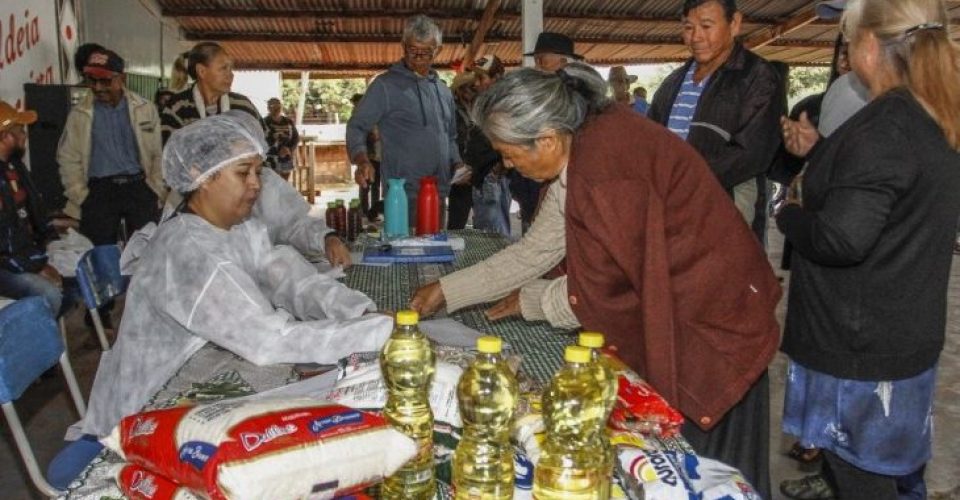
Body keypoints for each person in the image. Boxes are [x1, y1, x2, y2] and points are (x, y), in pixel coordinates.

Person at [410, 64, 781, 496]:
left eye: (510, 155)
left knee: (713, 479)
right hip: (698, 311)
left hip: (715, 332)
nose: (508, 167)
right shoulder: (581, 143)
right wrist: (447, 290)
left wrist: (535, 301)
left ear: (546, 139)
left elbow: (617, 289)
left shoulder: (608, 173)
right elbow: (537, 250)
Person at [80, 113, 393, 437]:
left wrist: (358, 311)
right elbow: (268, 339)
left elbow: (292, 279)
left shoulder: (237, 229)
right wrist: (372, 335)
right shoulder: (190, 252)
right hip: (150, 408)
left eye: (258, 171)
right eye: (243, 173)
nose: (256, 184)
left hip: (200, 369)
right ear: (199, 175)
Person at [776, 0, 960, 498]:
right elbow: (884, 203)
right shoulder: (929, 114)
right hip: (897, 332)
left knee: (861, 480)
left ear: (870, 46)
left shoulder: (886, 127)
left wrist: (787, 210)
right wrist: (822, 156)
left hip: (860, 351)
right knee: (884, 478)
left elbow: (841, 239)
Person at [648, 0, 785, 242]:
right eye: (688, 27)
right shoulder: (673, 82)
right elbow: (650, 139)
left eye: (707, 25)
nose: (696, 37)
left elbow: (751, 153)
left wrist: (684, 181)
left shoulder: (758, 77)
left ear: (734, 24)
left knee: (722, 272)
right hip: (673, 204)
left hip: (724, 205)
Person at [346, 15, 463, 223]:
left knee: (434, 250)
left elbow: (451, 135)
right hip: (403, 193)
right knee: (405, 251)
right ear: (403, 46)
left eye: (426, 51)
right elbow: (357, 125)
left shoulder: (443, 90)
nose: (418, 57)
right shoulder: (385, 86)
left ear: (438, 50)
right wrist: (361, 160)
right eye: (412, 50)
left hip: (439, 190)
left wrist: (458, 164)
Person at [56, 48, 165, 245]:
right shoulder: (79, 114)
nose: (98, 87)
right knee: (100, 254)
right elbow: (68, 158)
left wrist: (156, 189)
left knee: (144, 251)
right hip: (99, 192)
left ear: (121, 78)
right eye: (91, 80)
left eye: (105, 81)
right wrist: (80, 195)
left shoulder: (145, 109)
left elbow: (158, 153)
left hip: (139, 188)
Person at [0, 101, 63, 316]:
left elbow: (35, 214)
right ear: (5, 137)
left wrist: (51, 240)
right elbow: (5, 244)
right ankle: (33, 345)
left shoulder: (16, 166)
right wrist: (37, 266)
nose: (25, 136)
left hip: (23, 256)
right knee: (49, 294)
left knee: (80, 271)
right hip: (6, 265)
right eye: (20, 131)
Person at [160, 42, 262, 145]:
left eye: (231, 68)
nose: (231, 75)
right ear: (202, 71)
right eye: (223, 68)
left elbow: (267, 147)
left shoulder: (243, 106)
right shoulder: (178, 108)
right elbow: (169, 154)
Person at [465, 55, 511, 236]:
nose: (476, 84)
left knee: (493, 239)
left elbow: (509, 140)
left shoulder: (504, 105)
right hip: (482, 176)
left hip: (491, 178)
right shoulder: (485, 102)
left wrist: (497, 169)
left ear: (497, 78)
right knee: (486, 234)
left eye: (481, 78)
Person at [447, 72, 477, 230]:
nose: (471, 91)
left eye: (473, 87)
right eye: (467, 88)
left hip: (479, 170)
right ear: (458, 91)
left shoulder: (479, 108)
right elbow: (449, 139)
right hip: (460, 169)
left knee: (485, 222)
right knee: (457, 220)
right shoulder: (451, 111)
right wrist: (458, 164)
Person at [350, 93, 382, 221]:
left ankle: (373, 211)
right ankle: (364, 210)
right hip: (368, 156)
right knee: (365, 184)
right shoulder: (357, 119)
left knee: (375, 184)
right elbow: (361, 137)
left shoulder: (373, 114)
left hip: (378, 155)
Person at [264, 97, 299, 180]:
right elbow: (262, 139)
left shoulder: (288, 122)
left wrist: (289, 149)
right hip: (270, 158)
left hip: (286, 156)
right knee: (272, 182)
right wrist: (276, 149)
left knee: (284, 182)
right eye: (273, 106)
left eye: (278, 106)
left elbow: (295, 138)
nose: (276, 109)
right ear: (268, 108)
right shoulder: (264, 122)